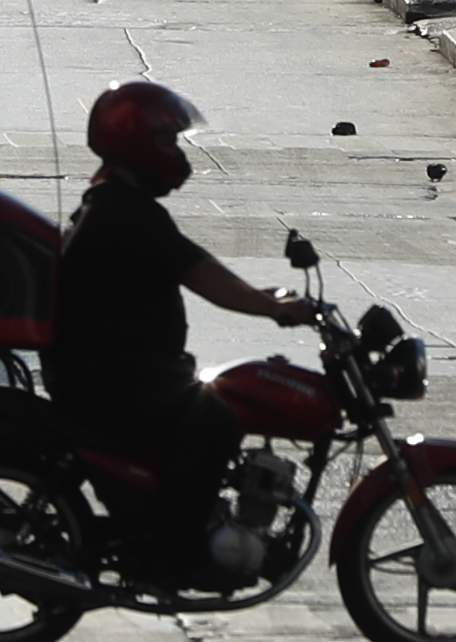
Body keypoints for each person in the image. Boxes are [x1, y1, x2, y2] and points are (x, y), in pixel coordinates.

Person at [48, 80, 310, 576]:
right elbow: (204, 275)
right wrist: (272, 307)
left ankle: (173, 522)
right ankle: (176, 550)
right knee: (214, 420)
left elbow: (198, 269)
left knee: (209, 408)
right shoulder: (127, 213)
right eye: (167, 141)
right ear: (134, 141)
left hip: (112, 372)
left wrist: (267, 297)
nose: (175, 155)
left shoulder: (115, 203)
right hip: (111, 380)